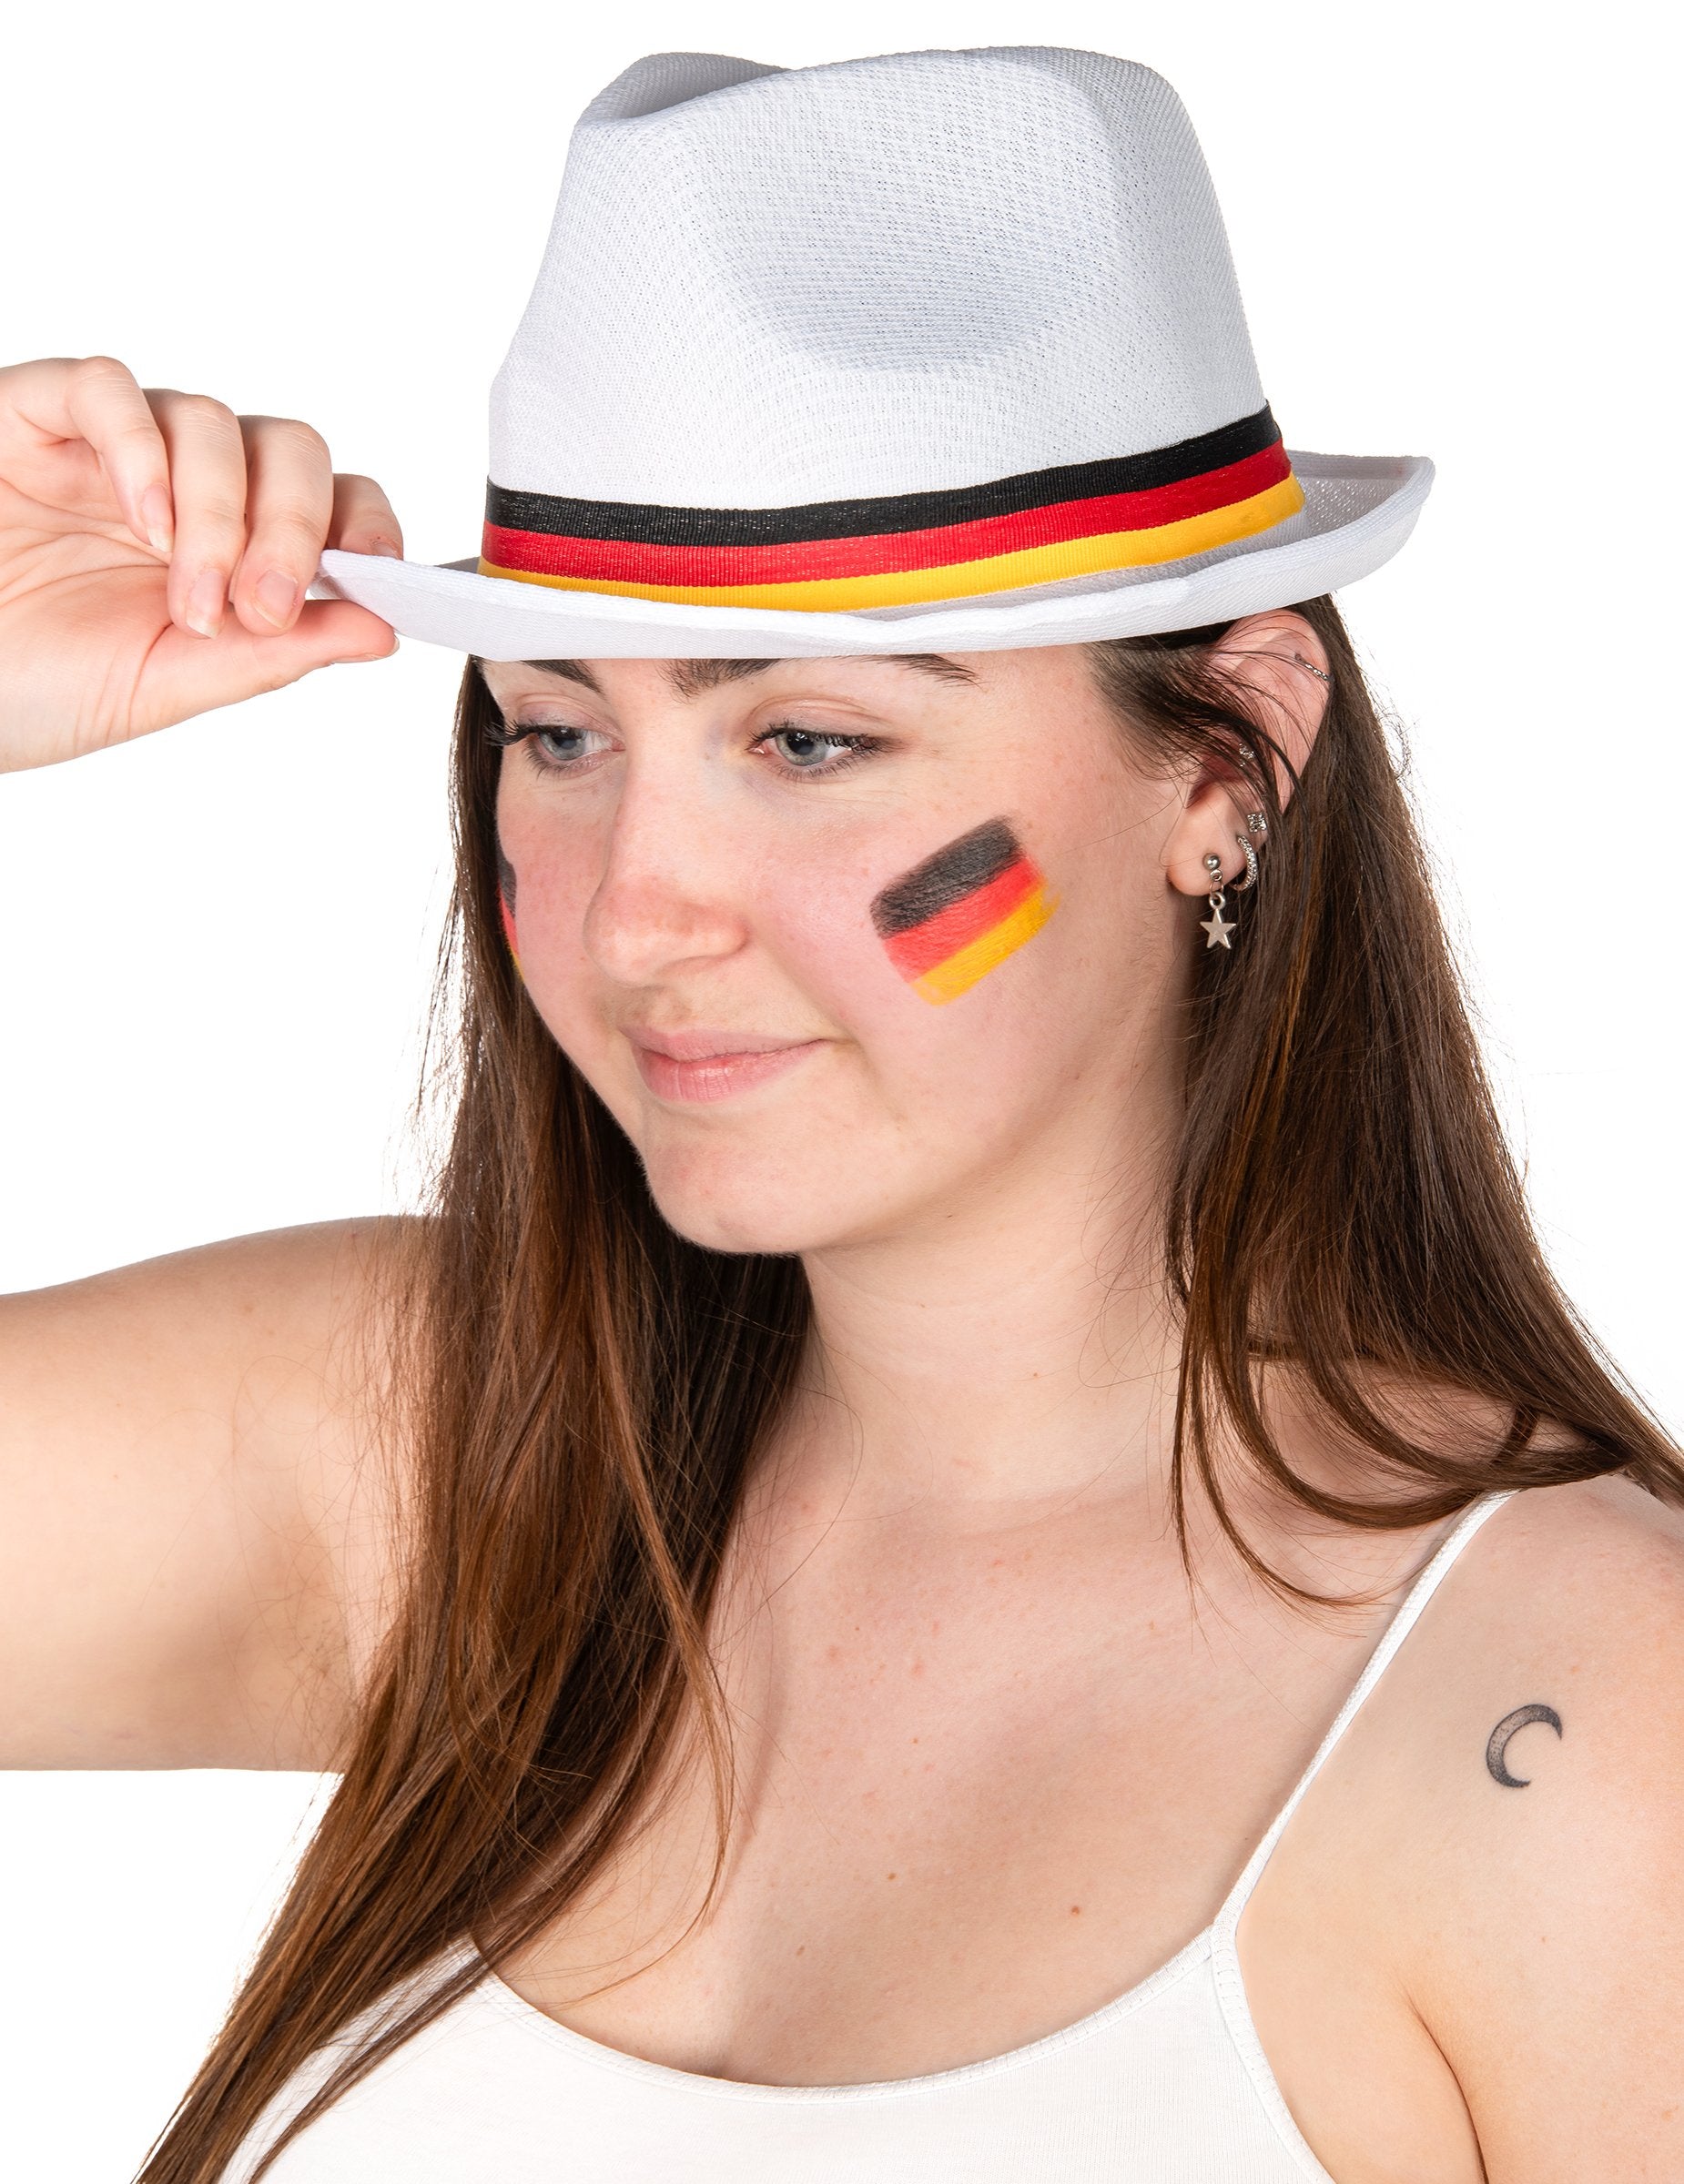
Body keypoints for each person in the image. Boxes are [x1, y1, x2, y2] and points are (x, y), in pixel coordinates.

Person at [4, 43, 1681, 2184]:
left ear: (1226, 764)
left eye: (803, 742)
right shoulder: (448, 1463)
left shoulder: (1581, 1722)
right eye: (558, 735)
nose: (636, 912)